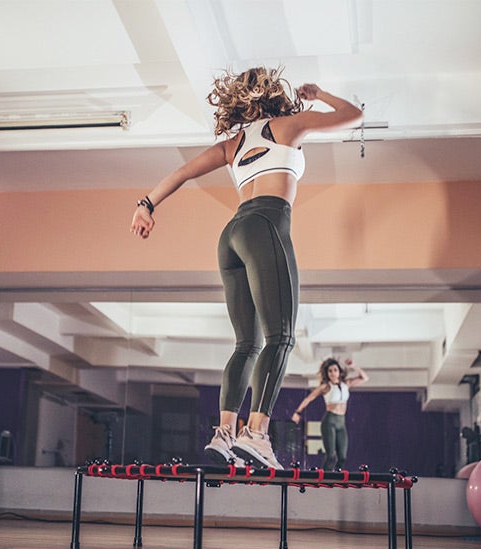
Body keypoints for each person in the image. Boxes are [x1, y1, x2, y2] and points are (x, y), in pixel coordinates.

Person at [131, 67, 363, 469]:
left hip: (231, 236)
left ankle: (224, 435)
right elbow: (353, 115)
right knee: (282, 337)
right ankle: (255, 433)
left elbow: (182, 172)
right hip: (265, 224)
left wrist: (146, 205)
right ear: (276, 96)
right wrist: (321, 92)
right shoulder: (289, 125)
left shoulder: (232, 144)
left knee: (247, 344)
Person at [291, 358, 369, 470]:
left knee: (342, 457)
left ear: (339, 372)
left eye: (335, 370)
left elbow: (364, 378)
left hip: (341, 423)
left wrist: (353, 366)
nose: (333, 373)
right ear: (327, 373)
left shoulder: (346, 384)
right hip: (330, 421)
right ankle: (324, 478)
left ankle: (335, 476)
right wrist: (297, 412)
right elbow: (309, 398)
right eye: (330, 371)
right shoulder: (325, 386)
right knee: (331, 456)